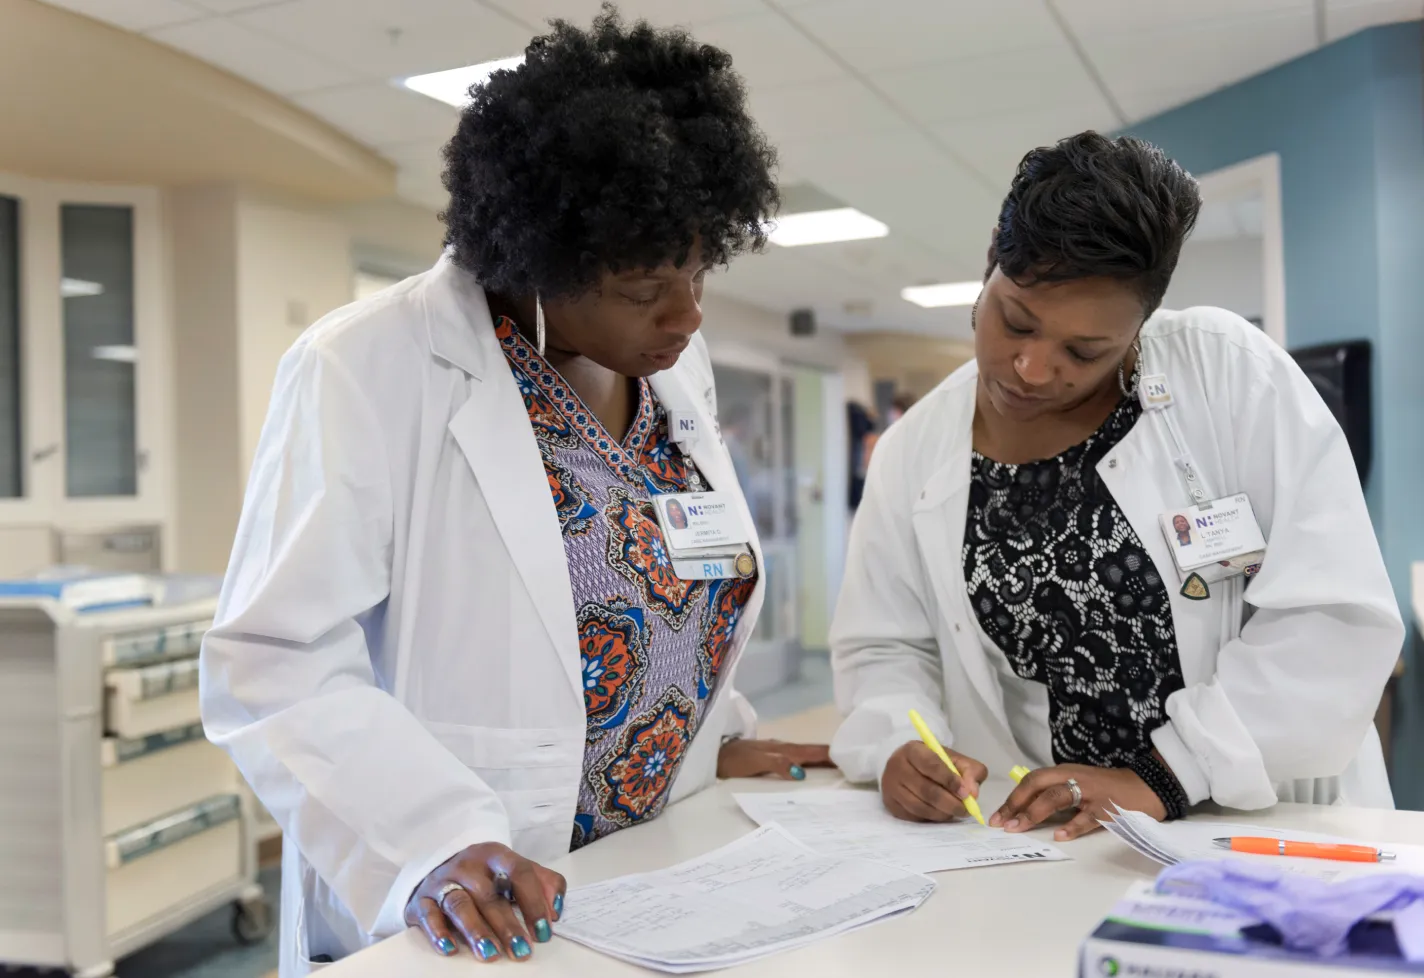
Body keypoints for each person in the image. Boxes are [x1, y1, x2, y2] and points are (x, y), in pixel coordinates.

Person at [200, 12, 830, 976]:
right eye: (644, 286)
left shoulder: (674, 368)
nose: (688, 314)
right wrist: (426, 844)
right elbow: (272, 659)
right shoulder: (366, 366)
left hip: (658, 861)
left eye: (700, 270)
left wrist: (712, 736)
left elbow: (671, 584)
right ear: (536, 258)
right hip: (478, 891)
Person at [830, 132, 1402, 845]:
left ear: (1140, 327)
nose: (1033, 368)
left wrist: (1167, 774)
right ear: (988, 272)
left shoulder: (1228, 375)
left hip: (1257, 816)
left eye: (1084, 351)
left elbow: (1332, 617)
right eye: (1015, 321)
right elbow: (885, 647)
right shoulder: (916, 448)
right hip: (1051, 836)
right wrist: (895, 744)